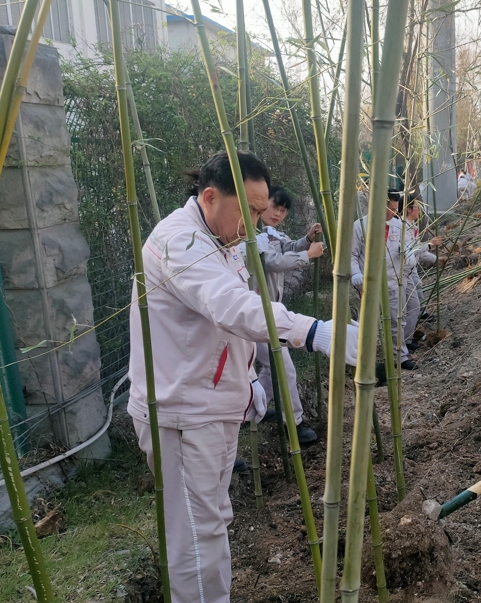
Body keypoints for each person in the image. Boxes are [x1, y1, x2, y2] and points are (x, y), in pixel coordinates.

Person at [127, 151, 358, 603]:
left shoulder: (221, 240)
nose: (257, 223)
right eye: (251, 210)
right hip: (182, 415)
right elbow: (232, 307)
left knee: (210, 523)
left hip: (209, 407)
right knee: (195, 538)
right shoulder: (181, 241)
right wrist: (312, 331)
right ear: (210, 197)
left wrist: (247, 378)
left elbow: (223, 329)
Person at [254, 185, 325, 444]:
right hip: (254, 314)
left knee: (271, 371)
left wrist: (306, 239)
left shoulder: (269, 233)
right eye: (274, 207)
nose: (278, 214)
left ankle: (251, 412)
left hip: (268, 312)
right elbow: (272, 261)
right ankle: (294, 423)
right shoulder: (250, 234)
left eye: (283, 211)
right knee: (285, 369)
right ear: (263, 203)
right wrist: (307, 255)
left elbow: (286, 247)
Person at [351, 188, 416, 370]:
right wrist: (356, 274)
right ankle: (364, 360)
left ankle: (399, 357)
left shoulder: (399, 226)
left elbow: (410, 248)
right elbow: (352, 255)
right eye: (390, 209)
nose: (394, 213)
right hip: (369, 284)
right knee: (368, 323)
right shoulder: (361, 226)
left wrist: (409, 256)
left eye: (396, 209)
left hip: (394, 280)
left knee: (397, 320)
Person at [401, 193, 442, 350]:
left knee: (414, 306)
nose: (420, 211)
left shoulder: (413, 226)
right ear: (409, 208)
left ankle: (407, 340)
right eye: (418, 207)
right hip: (401, 274)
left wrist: (435, 259)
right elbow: (409, 251)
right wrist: (430, 244)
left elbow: (419, 252)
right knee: (408, 309)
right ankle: (404, 343)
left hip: (410, 271)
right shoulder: (402, 227)